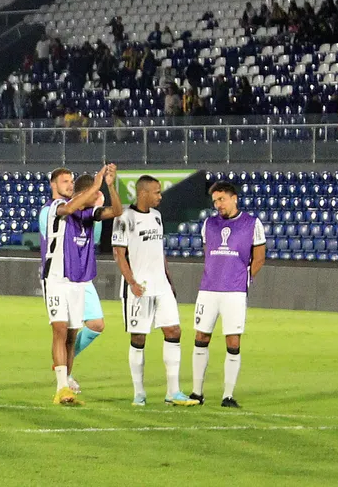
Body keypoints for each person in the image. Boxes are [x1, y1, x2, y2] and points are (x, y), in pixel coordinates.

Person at [111, 175, 198, 406]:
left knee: (174, 331)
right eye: (157, 192)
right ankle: (139, 393)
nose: (160, 196)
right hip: (139, 288)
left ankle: (173, 392)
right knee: (139, 337)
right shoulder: (124, 218)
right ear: (143, 194)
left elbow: (160, 252)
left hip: (161, 287)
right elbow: (118, 254)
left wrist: (169, 281)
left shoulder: (157, 217)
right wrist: (132, 283)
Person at [41, 164, 122, 404]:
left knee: (72, 335)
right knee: (60, 329)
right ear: (54, 185)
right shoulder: (55, 207)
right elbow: (68, 207)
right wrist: (95, 185)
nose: (69, 183)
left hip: (78, 281)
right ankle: (61, 388)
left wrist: (109, 186)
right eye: (64, 181)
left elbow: (116, 211)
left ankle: (66, 384)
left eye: (71, 180)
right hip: (56, 279)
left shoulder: (84, 214)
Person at [190, 182, 266, 408]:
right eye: (215, 201)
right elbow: (208, 254)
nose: (218, 205)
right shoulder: (209, 223)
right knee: (201, 338)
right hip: (208, 290)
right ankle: (196, 393)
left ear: (234, 198)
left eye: (221, 199)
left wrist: (244, 279)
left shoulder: (252, 223)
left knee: (233, 341)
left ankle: (228, 395)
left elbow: (259, 258)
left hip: (234, 292)